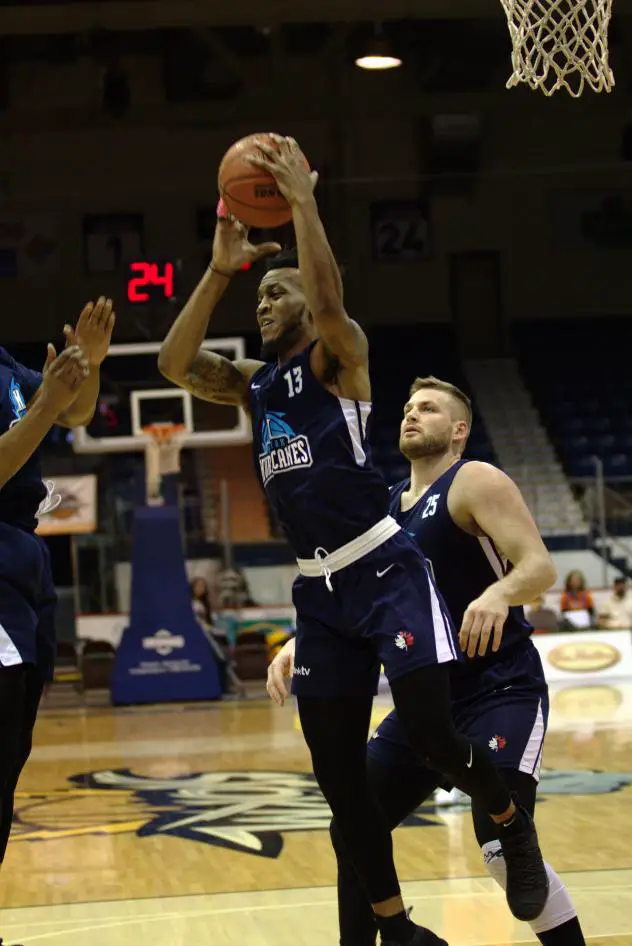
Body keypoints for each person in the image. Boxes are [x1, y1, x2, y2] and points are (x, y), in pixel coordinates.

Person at [158, 135, 549, 944]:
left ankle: (507, 813)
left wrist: (302, 203)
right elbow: (172, 362)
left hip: (381, 567)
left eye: (276, 291)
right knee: (341, 787)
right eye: (257, 295)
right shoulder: (257, 389)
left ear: (307, 297)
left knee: (439, 740)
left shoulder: (341, 362)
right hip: (319, 591)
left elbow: (330, 303)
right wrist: (218, 269)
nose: (262, 303)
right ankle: (394, 927)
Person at [267, 375, 586, 946]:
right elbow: (350, 603)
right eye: (409, 407)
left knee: (499, 850)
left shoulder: (474, 479)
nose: (413, 415)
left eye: (431, 409)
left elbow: (538, 566)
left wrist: (498, 593)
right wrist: (301, 642)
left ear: (459, 429)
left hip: (499, 688)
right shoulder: (384, 511)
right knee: (352, 830)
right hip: (426, 700)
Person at [0, 298, 114, 900]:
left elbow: (76, 410)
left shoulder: (7, 368)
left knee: (13, 752)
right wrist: (47, 402)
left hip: (24, 563)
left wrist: (88, 364)